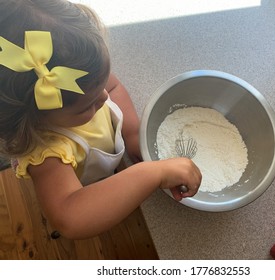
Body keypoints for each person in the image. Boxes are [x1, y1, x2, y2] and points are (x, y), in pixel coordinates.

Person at [0, 0, 201, 239]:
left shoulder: (83, 77)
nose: (105, 97)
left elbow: (113, 87)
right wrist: (153, 173)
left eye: (100, 90)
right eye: (89, 104)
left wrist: (133, 133)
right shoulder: (45, 152)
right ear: (36, 118)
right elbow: (70, 217)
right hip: (84, 185)